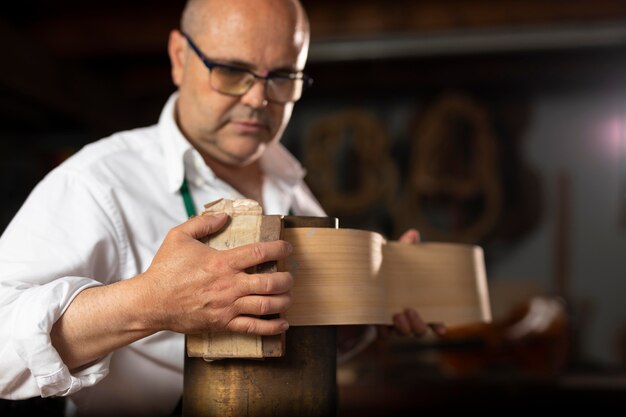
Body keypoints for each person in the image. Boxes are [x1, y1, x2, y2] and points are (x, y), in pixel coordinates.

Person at [0, 0, 442, 416]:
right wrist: (150, 302)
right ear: (179, 56)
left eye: (283, 76)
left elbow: (286, 341)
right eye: (233, 70)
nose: (258, 98)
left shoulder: (292, 185)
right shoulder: (96, 182)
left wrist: (361, 317)